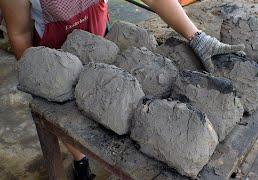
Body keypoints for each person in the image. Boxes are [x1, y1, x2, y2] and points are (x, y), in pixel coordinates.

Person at [0, 0, 245, 179]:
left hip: (100, 39)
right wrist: (35, 69)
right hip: (57, 59)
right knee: (70, 119)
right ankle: (81, 162)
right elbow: (20, 34)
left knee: (110, 102)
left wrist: (198, 37)